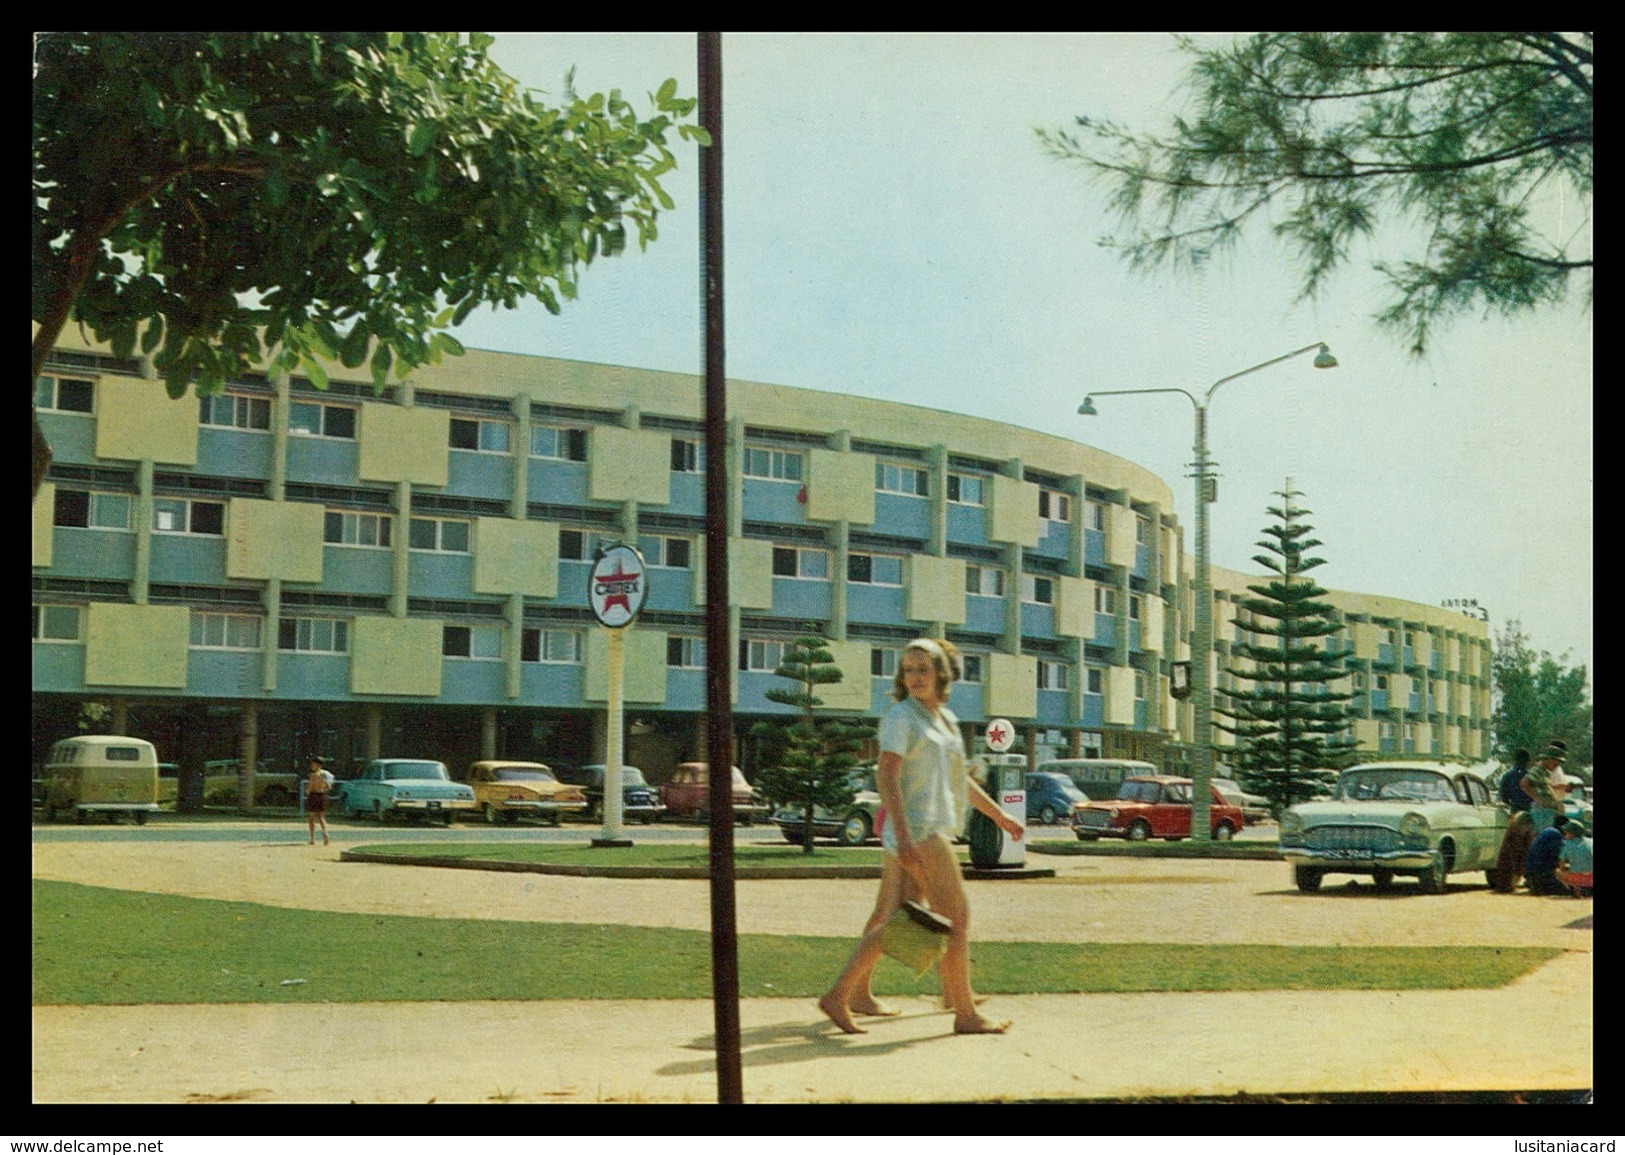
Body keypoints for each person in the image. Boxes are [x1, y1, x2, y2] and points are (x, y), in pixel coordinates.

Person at [819, 637, 1024, 1035]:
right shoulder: (903, 717)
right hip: (920, 832)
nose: (914, 677)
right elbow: (887, 776)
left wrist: (1001, 817)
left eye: (922, 669)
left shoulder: (943, 719)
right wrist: (906, 836)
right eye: (908, 670)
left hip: (926, 829)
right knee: (955, 917)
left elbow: (959, 780)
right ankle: (964, 1014)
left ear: (940, 675)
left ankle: (849, 994)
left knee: (907, 919)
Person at [1490, 749, 1534, 892]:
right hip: (1530, 815)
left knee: (1512, 847)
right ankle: (1528, 877)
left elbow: (1503, 797)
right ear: (1527, 761)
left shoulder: (1507, 776)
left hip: (1514, 815)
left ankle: (1509, 880)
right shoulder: (1530, 776)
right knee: (1529, 847)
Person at [1522, 741, 1570, 834]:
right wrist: (1539, 799)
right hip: (1541, 812)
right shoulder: (1537, 770)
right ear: (1548, 759)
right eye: (1557, 761)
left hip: (1548, 812)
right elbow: (1524, 784)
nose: (1558, 765)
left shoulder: (1545, 773)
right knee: (1544, 835)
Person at [1522, 819, 1568, 896]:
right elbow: (1557, 854)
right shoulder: (1556, 835)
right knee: (1567, 890)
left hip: (1529, 871)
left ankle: (1535, 885)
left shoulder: (1546, 831)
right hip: (1541, 873)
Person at [1556, 820, 1593, 898]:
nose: (1565, 835)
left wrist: (1565, 869)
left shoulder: (1568, 844)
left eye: (1566, 833)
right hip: (1591, 878)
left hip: (1578, 879)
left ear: (1572, 833)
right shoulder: (1591, 841)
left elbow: (1561, 864)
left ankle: (1576, 888)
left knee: (1557, 872)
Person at [305, 755, 334, 846]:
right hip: (322, 795)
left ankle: (312, 839)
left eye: (313, 764)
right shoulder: (325, 775)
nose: (312, 765)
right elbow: (328, 787)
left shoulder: (313, 775)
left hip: (314, 795)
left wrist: (307, 791)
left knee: (312, 817)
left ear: (317, 764)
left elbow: (310, 787)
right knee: (321, 817)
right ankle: (325, 835)